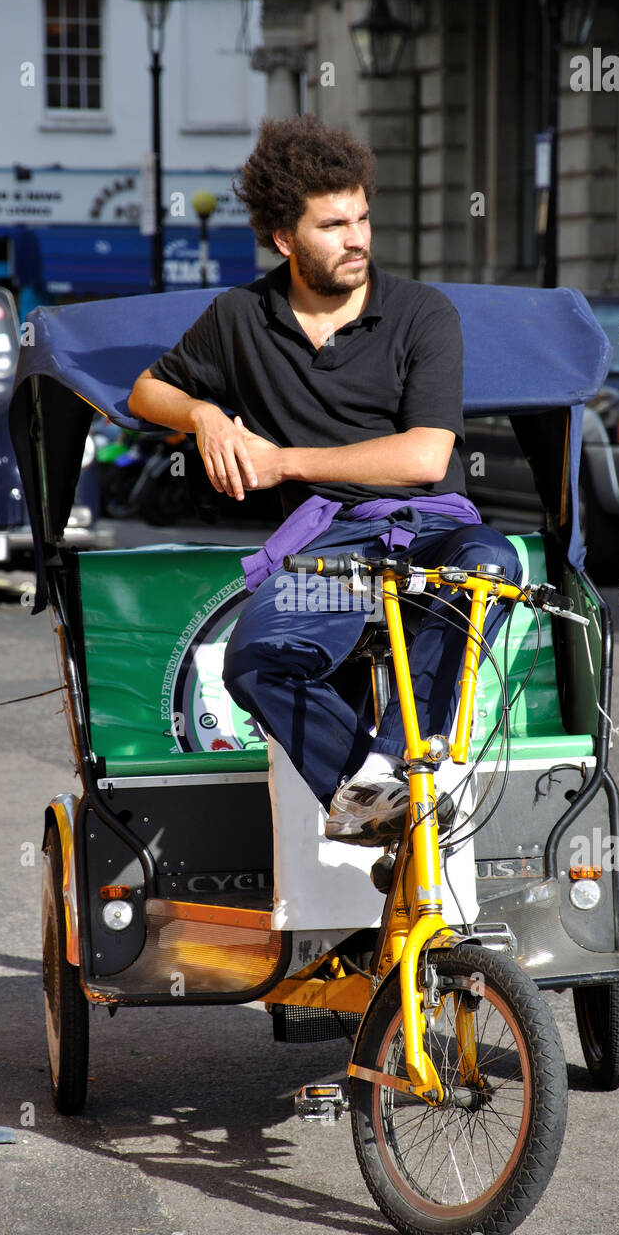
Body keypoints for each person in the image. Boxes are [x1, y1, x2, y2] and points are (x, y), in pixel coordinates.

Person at [129, 115, 521, 845]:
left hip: (432, 529)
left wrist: (282, 462)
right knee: (255, 664)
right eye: (334, 224)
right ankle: (374, 801)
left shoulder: (419, 313)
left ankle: (396, 762)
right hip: (329, 552)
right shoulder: (239, 317)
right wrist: (206, 415)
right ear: (284, 238)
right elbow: (145, 392)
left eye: (363, 218)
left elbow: (424, 457)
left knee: (492, 564)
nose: (358, 238)